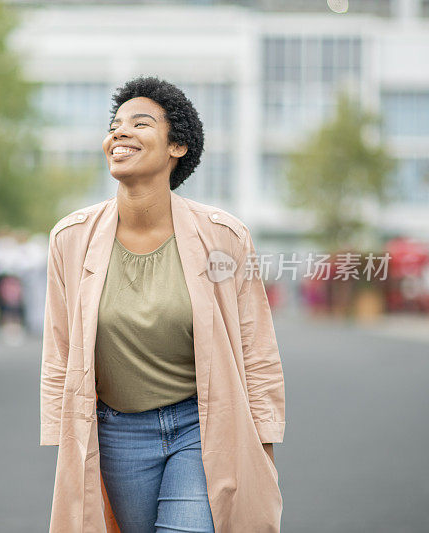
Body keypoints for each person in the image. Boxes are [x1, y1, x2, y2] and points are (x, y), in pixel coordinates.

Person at [40, 76, 286, 533]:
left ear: (177, 146)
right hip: (116, 434)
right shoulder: (70, 239)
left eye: (140, 123)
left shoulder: (223, 238)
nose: (120, 133)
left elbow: (257, 348)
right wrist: (65, 439)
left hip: (202, 425)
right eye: (114, 125)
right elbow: (59, 348)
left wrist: (263, 443)